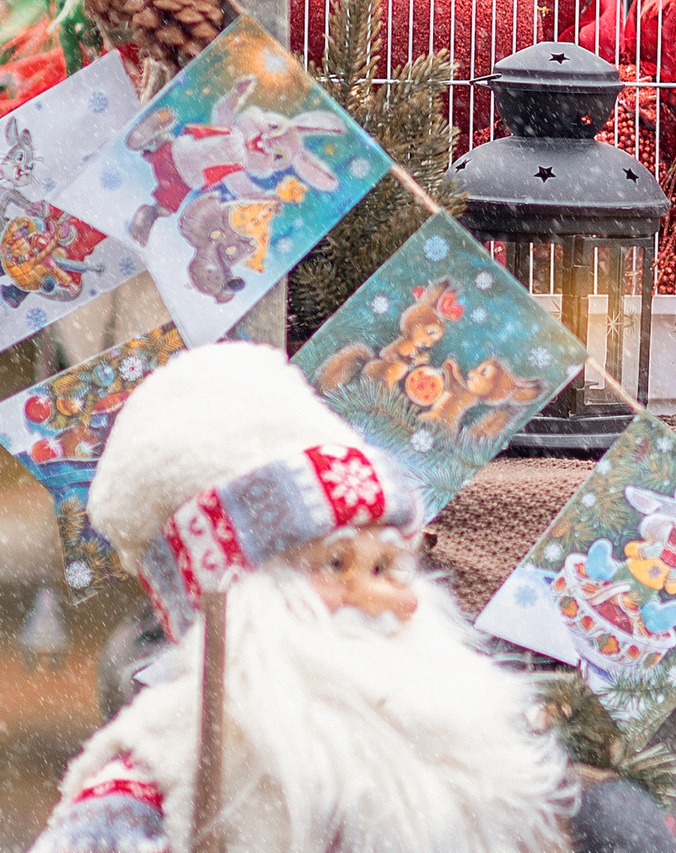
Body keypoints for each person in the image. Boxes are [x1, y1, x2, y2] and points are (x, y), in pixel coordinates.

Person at [31, 342, 580, 853]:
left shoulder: (475, 777)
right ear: (237, 595)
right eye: (336, 565)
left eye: (387, 567)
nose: (377, 598)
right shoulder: (157, 782)